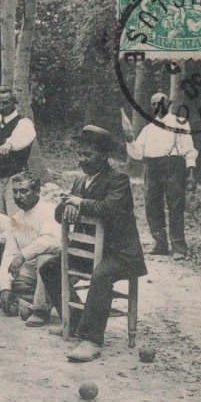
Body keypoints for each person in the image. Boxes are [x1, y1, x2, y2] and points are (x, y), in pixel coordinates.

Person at [39, 126, 147, 362]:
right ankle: (76, 322)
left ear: (104, 155)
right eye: (80, 154)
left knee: (101, 275)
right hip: (89, 251)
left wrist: (80, 203)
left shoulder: (118, 180)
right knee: (48, 267)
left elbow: (110, 209)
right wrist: (66, 207)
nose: (82, 160)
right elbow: (62, 214)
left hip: (121, 254)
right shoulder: (79, 182)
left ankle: (91, 340)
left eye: (88, 155)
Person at [124, 91, 198, 260]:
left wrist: (191, 172)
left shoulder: (180, 123)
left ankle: (179, 247)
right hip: (151, 168)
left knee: (175, 206)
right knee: (152, 205)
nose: (156, 106)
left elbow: (189, 149)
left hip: (173, 166)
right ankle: (160, 244)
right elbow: (137, 154)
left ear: (168, 103)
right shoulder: (148, 128)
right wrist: (129, 140)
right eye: (153, 104)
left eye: (160, 102)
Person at [0, 171, 60, 327]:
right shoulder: (16, 218)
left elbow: (52, 242)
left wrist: (23, 255)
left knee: (45, 258)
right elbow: (9, 253)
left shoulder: (49, 210)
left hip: (56, 269)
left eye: (23, 191)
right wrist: (4, 289)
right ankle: (46, 300)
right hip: (32, 272)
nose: (18, 196)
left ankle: (40, 310)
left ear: (37, 192)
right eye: (15, 191)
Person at [0, 86, 37, 215]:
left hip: (15, 180)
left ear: (15, 103)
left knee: (16, 218)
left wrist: (9, 145)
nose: (1, 106)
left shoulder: (24, 123)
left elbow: (21, 139)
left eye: (5, 103)